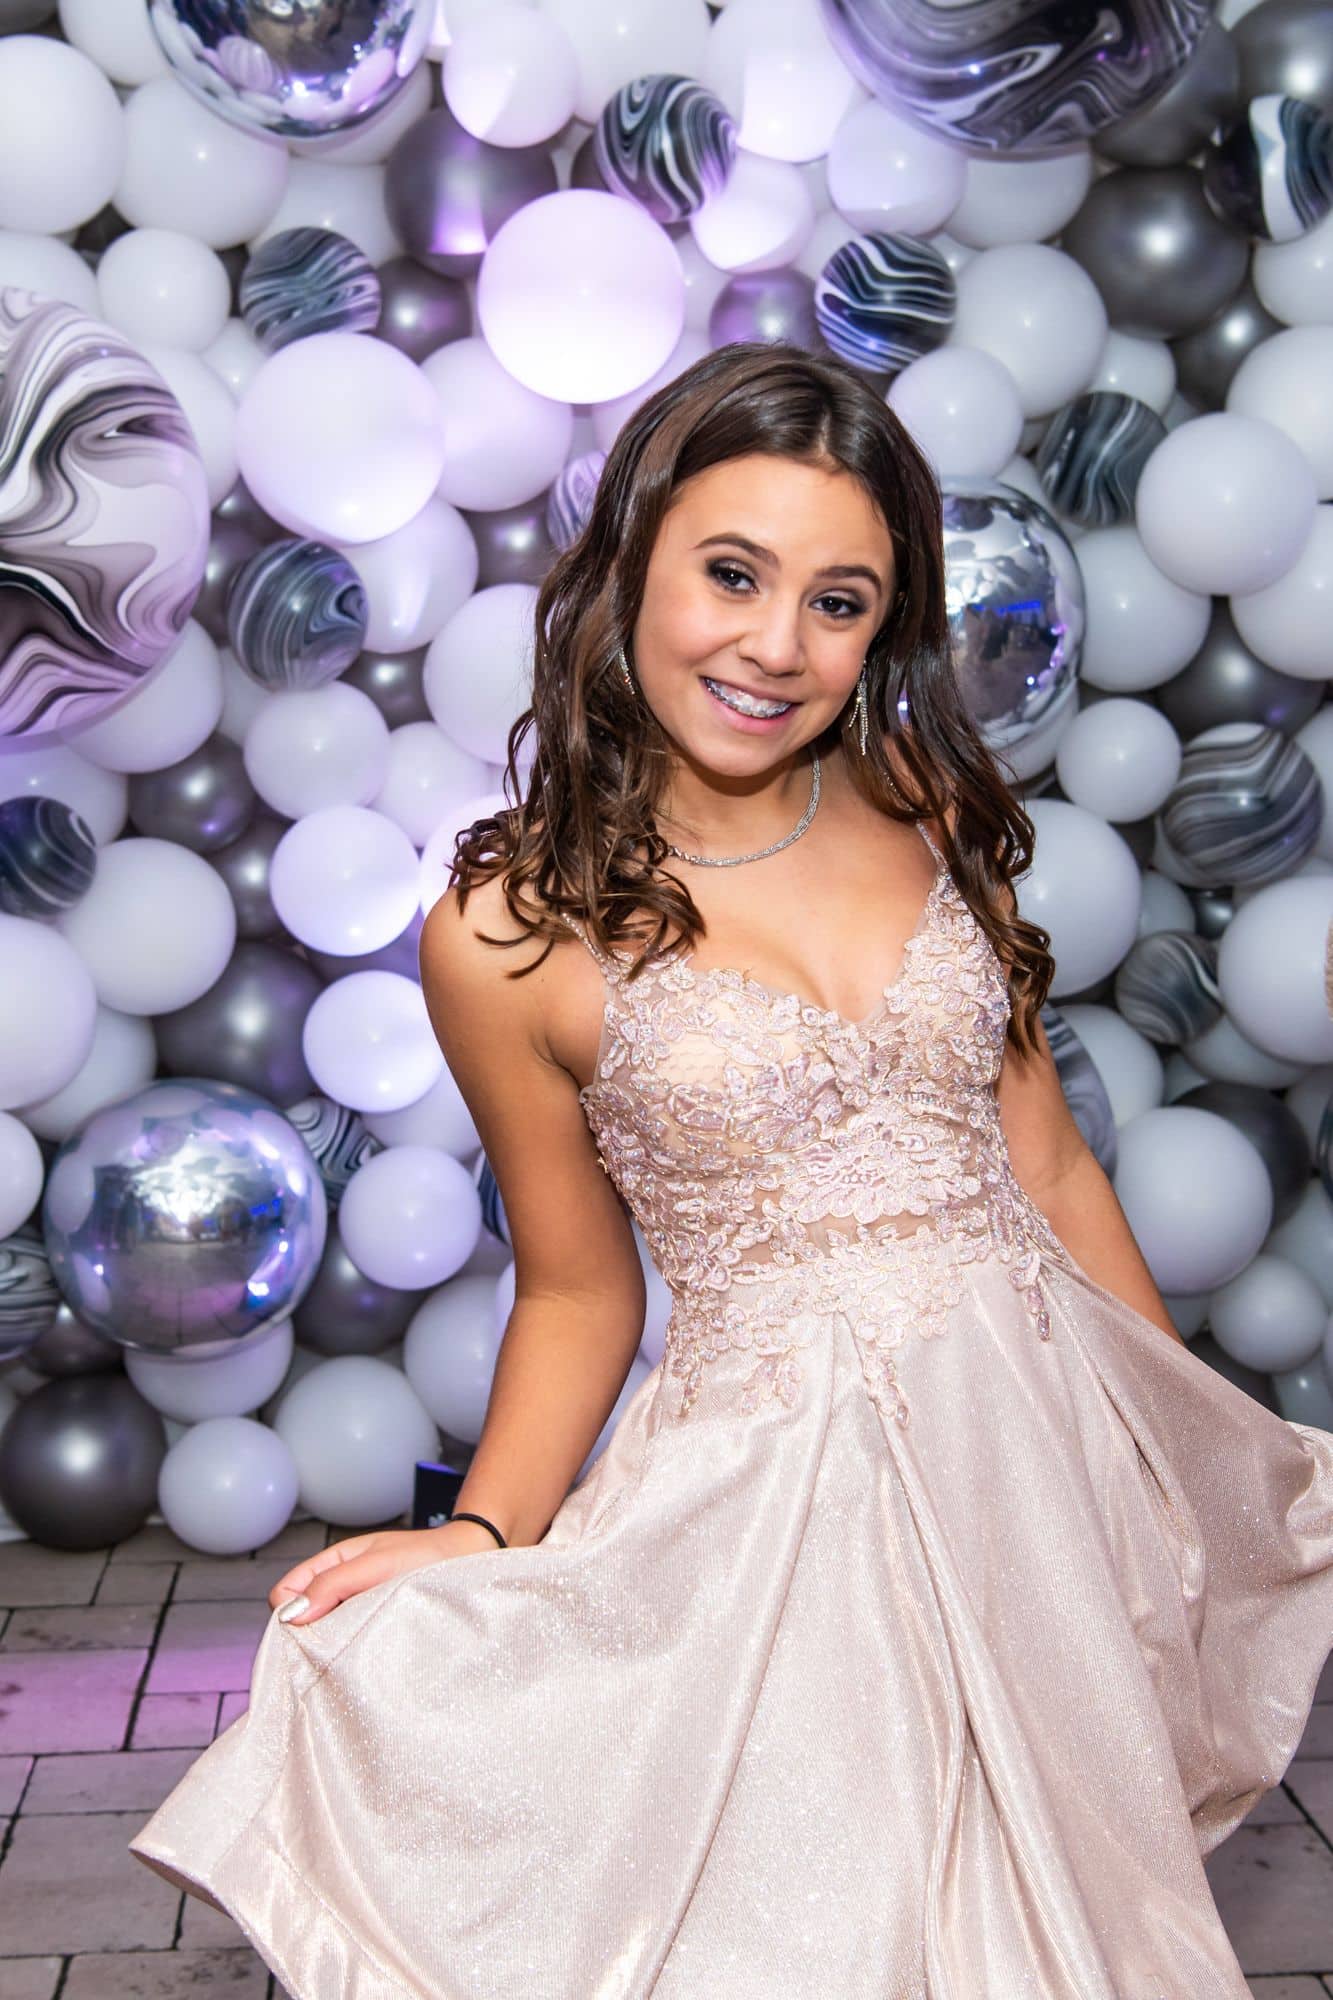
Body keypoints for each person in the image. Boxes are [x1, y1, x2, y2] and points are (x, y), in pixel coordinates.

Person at [130, 342, 1333, 1998]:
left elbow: (1043, 1160)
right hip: (778, 1514)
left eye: (839, 602)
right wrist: (484, 1536)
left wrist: (1181, 1451)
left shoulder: (923, 803)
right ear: (630, 558)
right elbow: (574, 1282)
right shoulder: (502, 935)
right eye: (731, 574)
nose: (777, 645)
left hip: (1036, 1469)